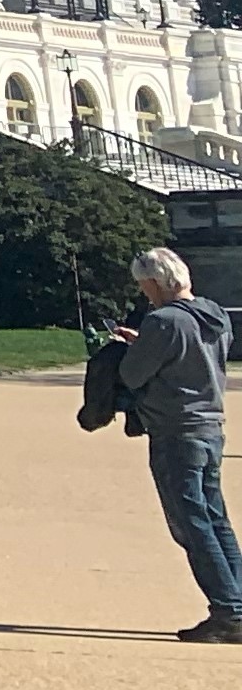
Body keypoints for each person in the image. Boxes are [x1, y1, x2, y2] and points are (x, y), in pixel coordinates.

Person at [110, 245, 239, 645]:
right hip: (210, 426)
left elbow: (133, 375)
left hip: (175, 429)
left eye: (143, 285)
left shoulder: (163, 322)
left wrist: (133, 348)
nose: (143, 293)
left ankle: (228, 611)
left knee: (191, 523)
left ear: (153, 282)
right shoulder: (214, 316)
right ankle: (236, 601)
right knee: (215, 519)